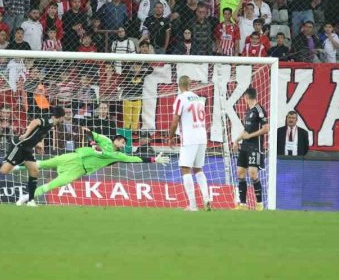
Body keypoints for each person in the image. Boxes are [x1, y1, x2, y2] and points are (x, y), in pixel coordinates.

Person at [0, 105, 66, 206]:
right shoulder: (49, 121)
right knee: (4, 170)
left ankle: (31, 200)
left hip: (27, 148)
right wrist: (26, 134)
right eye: (63, 117)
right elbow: (35, 122)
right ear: (61, 117)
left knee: (34, 170)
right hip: (19, 146)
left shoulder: (51, 124)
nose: (63, 119)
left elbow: (37, 134)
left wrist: (38, 144)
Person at [34, 129, 167, 201]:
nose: (123, 145)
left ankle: (30, 196)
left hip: (81, 169)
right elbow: (87, 131)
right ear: (116, 139)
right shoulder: (105, 140)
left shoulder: (118, 155)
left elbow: (135, 159)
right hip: (76, 156)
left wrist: (153, 159)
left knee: (57, 183)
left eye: (124, 144)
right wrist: (92, 143)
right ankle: (21, 164)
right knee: (45, 163)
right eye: (122, 142)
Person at [167, 75, 211, 211]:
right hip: (202, 136)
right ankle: (206, 198)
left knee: (185, 169)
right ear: (190, 84)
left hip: (190, 137)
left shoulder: (180, 98)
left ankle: (193, 205)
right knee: (198, 169)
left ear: (179, 85)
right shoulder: (198, 98)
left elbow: (175, 121)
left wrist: (170, 137)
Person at [232, 87, 269, 211]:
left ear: (246, 97)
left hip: (255, 146)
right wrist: (236, 140)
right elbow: (245, 131)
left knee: (253, 173)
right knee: (240, 172)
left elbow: (266, 128)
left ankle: (259, 204)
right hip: (245, 146)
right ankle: (243, 204)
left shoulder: (259, 110)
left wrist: (250, 136)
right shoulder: (248, 112)